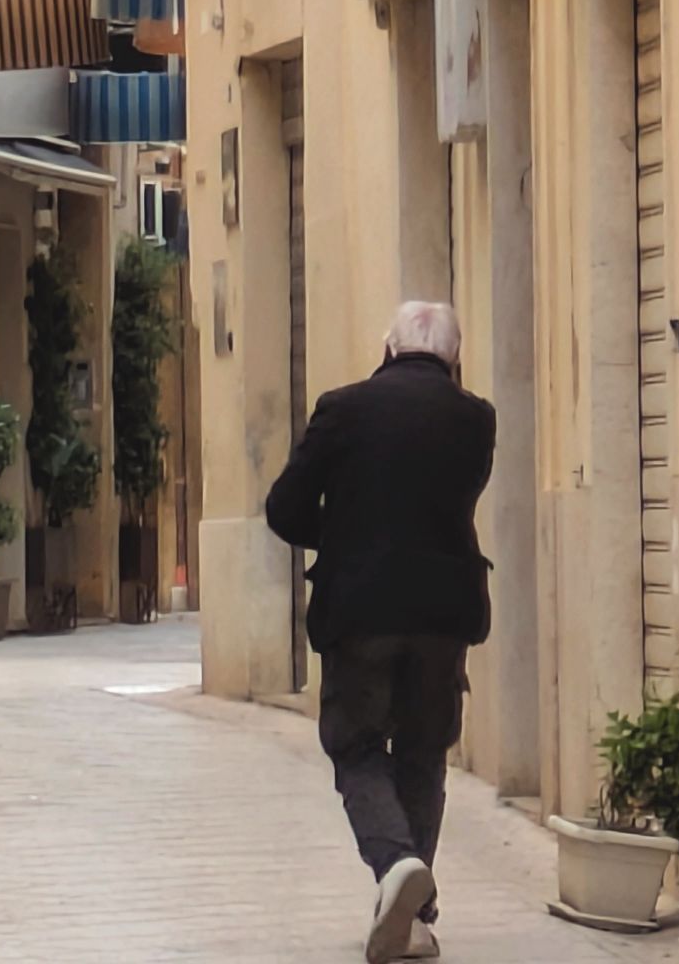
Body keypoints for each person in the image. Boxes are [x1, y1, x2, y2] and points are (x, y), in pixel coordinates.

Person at [265, 301, 496, 964]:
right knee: (424, 753)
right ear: (454, 360)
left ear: (387, 350)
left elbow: (285, 507)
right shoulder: (475, 418)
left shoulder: (343, 409)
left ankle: (396, 864)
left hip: (360, 610)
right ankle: (414, 920)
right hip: (443, 615)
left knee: (357, 747)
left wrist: (343, 536)